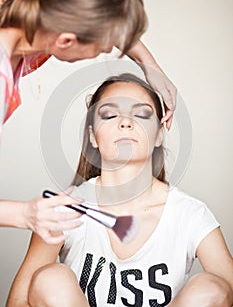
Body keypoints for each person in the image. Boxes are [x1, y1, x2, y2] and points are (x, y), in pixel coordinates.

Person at [6, 73, 233, 307]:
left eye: (142, 114)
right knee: (50, 280)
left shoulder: (190, 214)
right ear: (93, 136)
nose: (125, 122)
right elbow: (18, 301)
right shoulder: (63, 210)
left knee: (210, 289)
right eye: (110, 114)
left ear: (158, 135)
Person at [0, 0, 177, 244]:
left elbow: (101, 12)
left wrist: (150, 65)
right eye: (100, 49)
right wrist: (23, 214)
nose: (107, 50)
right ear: (67, 40)